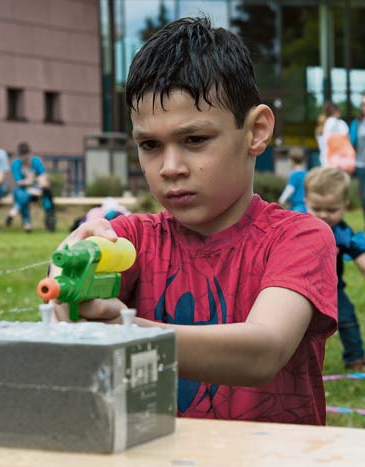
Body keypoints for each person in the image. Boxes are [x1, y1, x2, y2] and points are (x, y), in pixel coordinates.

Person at [50, 17, 337, 425]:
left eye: (194, 140)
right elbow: (70, 273)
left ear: (256, 131)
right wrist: (69, 267)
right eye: (150, 145)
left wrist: (125, 331)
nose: (170, 167)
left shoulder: (300, 237)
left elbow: (263, 351)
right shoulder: (131, 238)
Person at [305, 167, 365, 371]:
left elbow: (358, 251)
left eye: (332, 210)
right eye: (317, 208)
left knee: (348, 320)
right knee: (297, 328)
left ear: (345, 206)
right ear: (306, 202)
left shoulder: (341, 232)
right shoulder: (299, 226)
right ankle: (291, 362)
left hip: (333, 289)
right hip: (301, 288)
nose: (324, 215)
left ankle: (355, 358)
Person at [5, 142, 56, 232]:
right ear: (19, 155)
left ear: (30, 153)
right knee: (22, 194)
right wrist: (29, 187)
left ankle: (15, 212)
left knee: (46, 194)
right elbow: (19, 183)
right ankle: (26, 223)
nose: (25, 157)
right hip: (23, 190)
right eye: (23, 155)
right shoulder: (16, 164)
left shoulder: (36, 161)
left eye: (26, 155)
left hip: (37, 190)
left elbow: (43, 178)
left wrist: (37, 186)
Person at [315, 102, 350, 168]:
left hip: (324, 163)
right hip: (339, 163)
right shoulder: (340, 124)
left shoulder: (321, 125)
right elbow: (347, 142)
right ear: (336, 111)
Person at [277, 147, 307, 212]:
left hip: (297, 207)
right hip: (306, 206)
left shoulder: (294, 175)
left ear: (292, 160)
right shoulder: (306, 173)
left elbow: (289, 189)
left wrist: (281, 200)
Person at [349, 95, 365, 220]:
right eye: (363, 105)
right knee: (364, 196)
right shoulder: (357, 123)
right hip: (361, 164)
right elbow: (351, 141)